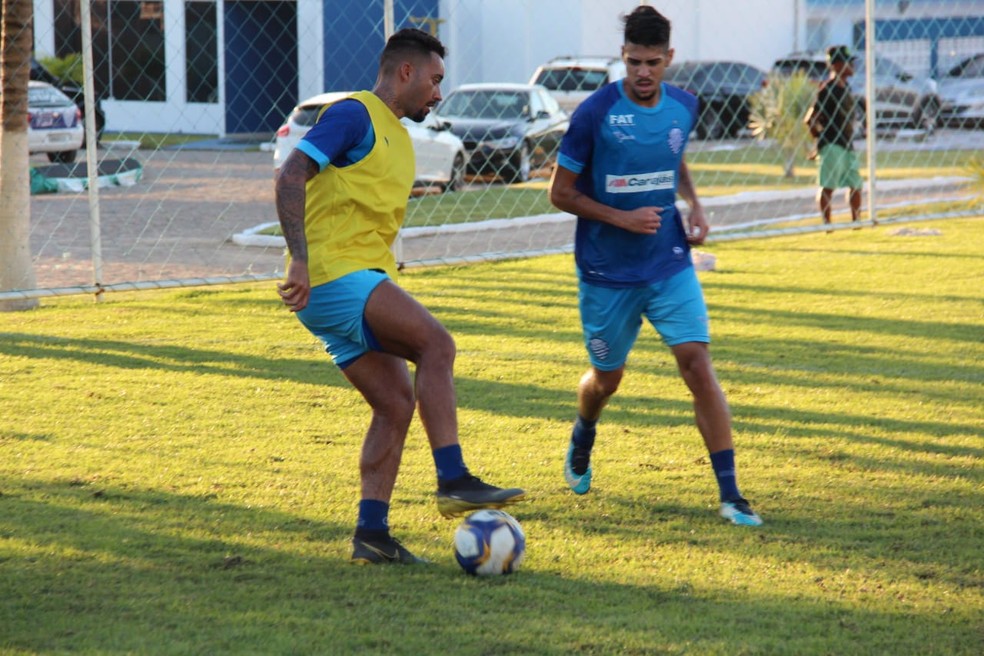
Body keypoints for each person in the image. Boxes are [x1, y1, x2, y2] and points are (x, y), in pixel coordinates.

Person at [275, 28, 524, 565]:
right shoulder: (355, 113)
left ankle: (372, 534)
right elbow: (291, 171)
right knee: (437, 345)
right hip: (334, 277)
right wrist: (299, 257)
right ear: (405, 72)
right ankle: (453, 477)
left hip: (346, 281)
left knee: (394, 404)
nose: (438, 93)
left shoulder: (395, 135)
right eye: (434, 80)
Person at [548, 6, 762, 526]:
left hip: (668, 264)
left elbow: (674, 158)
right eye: (634, 62)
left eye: (653, 62)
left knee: (698, 367)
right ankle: (584, 432)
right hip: (606, 273)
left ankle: (731, 495)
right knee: (606, 379)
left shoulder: (684, 106)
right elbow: (559, 193)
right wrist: (620, 218)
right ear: (622, 56)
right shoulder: (594, 113)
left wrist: (696, 204)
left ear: (670, 58)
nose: (643, 72)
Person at [807, 45, 863, 230]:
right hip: (832, 144)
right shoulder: (827, 90)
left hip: (847, 144)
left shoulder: (846, 87)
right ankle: (827, 226)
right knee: (828, 186)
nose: (852, 67)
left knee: (855, 183)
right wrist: (820, 141)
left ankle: (857, 222)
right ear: (837, 65)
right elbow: (810, 119)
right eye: (848, 63)